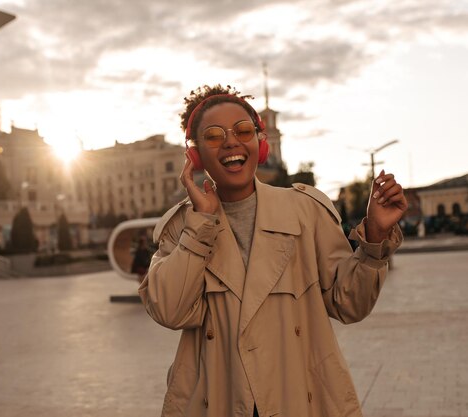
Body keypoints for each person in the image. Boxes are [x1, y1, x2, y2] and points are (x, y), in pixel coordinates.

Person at [138, 84, 406, 417]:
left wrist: (375, 240)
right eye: (214, 135)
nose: (231, 141)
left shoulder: (305, 211)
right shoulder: (182, 226)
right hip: (218, 402)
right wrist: (201, 224)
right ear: (194, 155)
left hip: (301, 399)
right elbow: (170, 310)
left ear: (260, 144)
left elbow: (350, 303)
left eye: (243, 130)